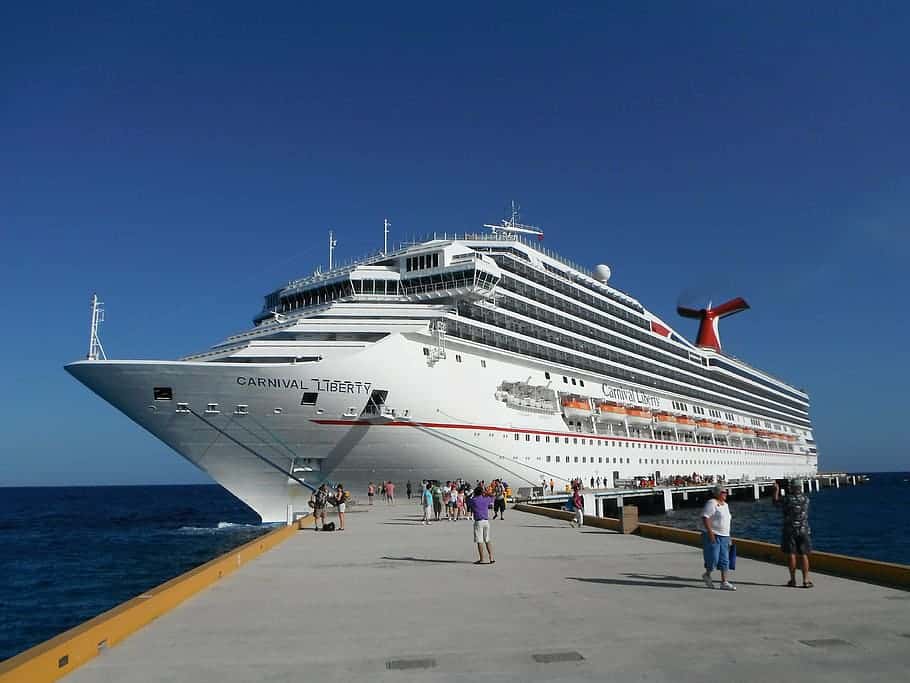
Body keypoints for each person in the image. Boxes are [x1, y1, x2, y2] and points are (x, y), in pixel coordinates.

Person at [774, 479, 814, 588]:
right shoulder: (806, 499)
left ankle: (793, 580)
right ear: (800, 487)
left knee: (791, 554)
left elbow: (775, 503)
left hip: (790, 530)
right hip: (804, 530)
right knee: (804, 554)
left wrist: (776, 490)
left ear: (791, 488)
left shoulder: (788, 499)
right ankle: (806, 580)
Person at [701, 485, 735, 590]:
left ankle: (724, 582)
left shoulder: (726, 505)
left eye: (726, 492)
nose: (725, 494)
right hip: (714, 535)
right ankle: (707, 574)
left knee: (725, 560)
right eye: (723, 492)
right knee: (713, 559)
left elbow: (726, 522)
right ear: (717, 493)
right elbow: (705, 517)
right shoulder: (712, 503)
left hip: (725, 536)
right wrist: (710, 533)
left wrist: (729, 536)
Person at [467, 485, 495, 564]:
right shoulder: (485, 500)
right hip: (486, 521)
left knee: (479, 541)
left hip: (478, 522)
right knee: (487, 539)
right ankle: (491, 557)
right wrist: (486, 493)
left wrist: (471, 494)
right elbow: (493, 496)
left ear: (475, 493)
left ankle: (482, 559)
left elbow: (467, 499)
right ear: (482, 493)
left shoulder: (474, 500)